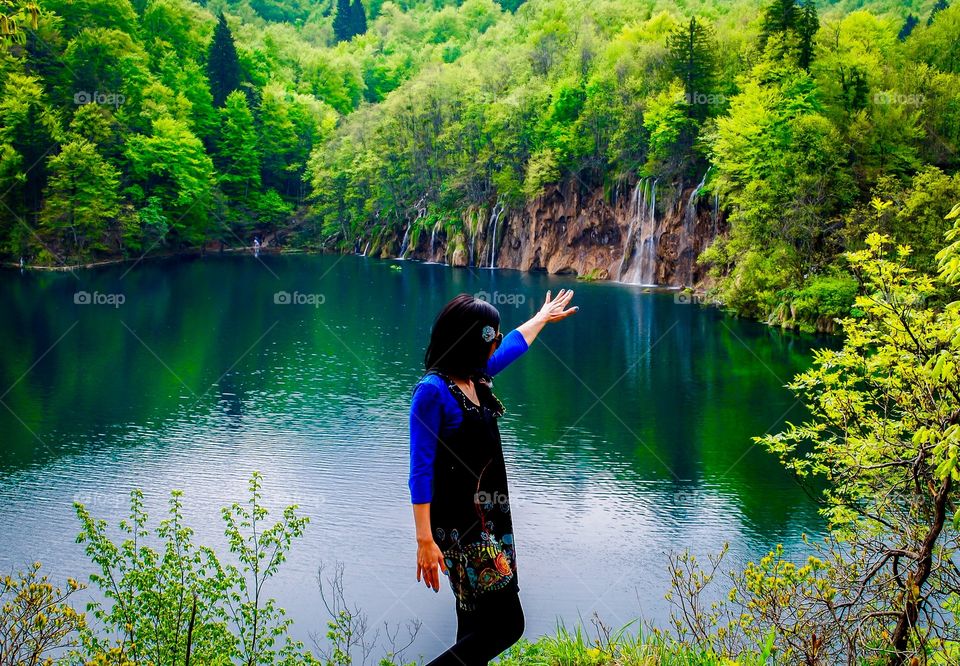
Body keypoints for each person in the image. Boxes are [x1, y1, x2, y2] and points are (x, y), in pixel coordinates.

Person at [409, 290, 578, 665]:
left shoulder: (476, 378)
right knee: (507, 625)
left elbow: (516, 345)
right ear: (467, 340)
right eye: (490, 336)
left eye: (497, 335)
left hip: (492, 518)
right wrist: (424, 540)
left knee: (474, 622)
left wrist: (541, 317)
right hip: (461, 526)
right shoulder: (432, 392)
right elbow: (419, 470)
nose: (497, 342)